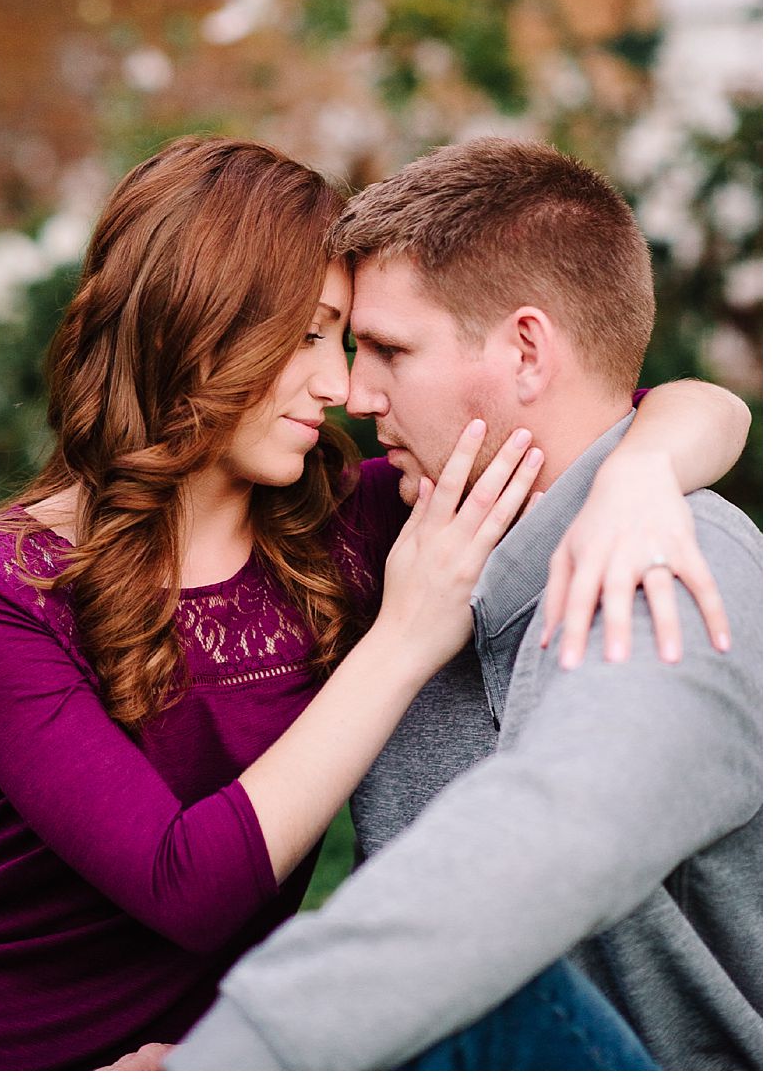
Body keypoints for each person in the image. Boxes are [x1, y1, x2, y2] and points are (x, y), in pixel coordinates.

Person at [0, 136, 749, 1069]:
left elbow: (626, 410)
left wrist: (642, 470)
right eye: (310, 336)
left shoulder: (358, 523)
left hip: (224, 1042)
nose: (341, 387)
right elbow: (183, 886)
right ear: (192, 322)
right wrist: (403, 639)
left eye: (354, 343)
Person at [155, 138, 760, 1070]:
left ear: (527, 352)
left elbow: (548, 840)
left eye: (390, 350)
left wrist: (231, 1060)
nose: (354, 394)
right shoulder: (408, 546)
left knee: (478, 967)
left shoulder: (676, 566)